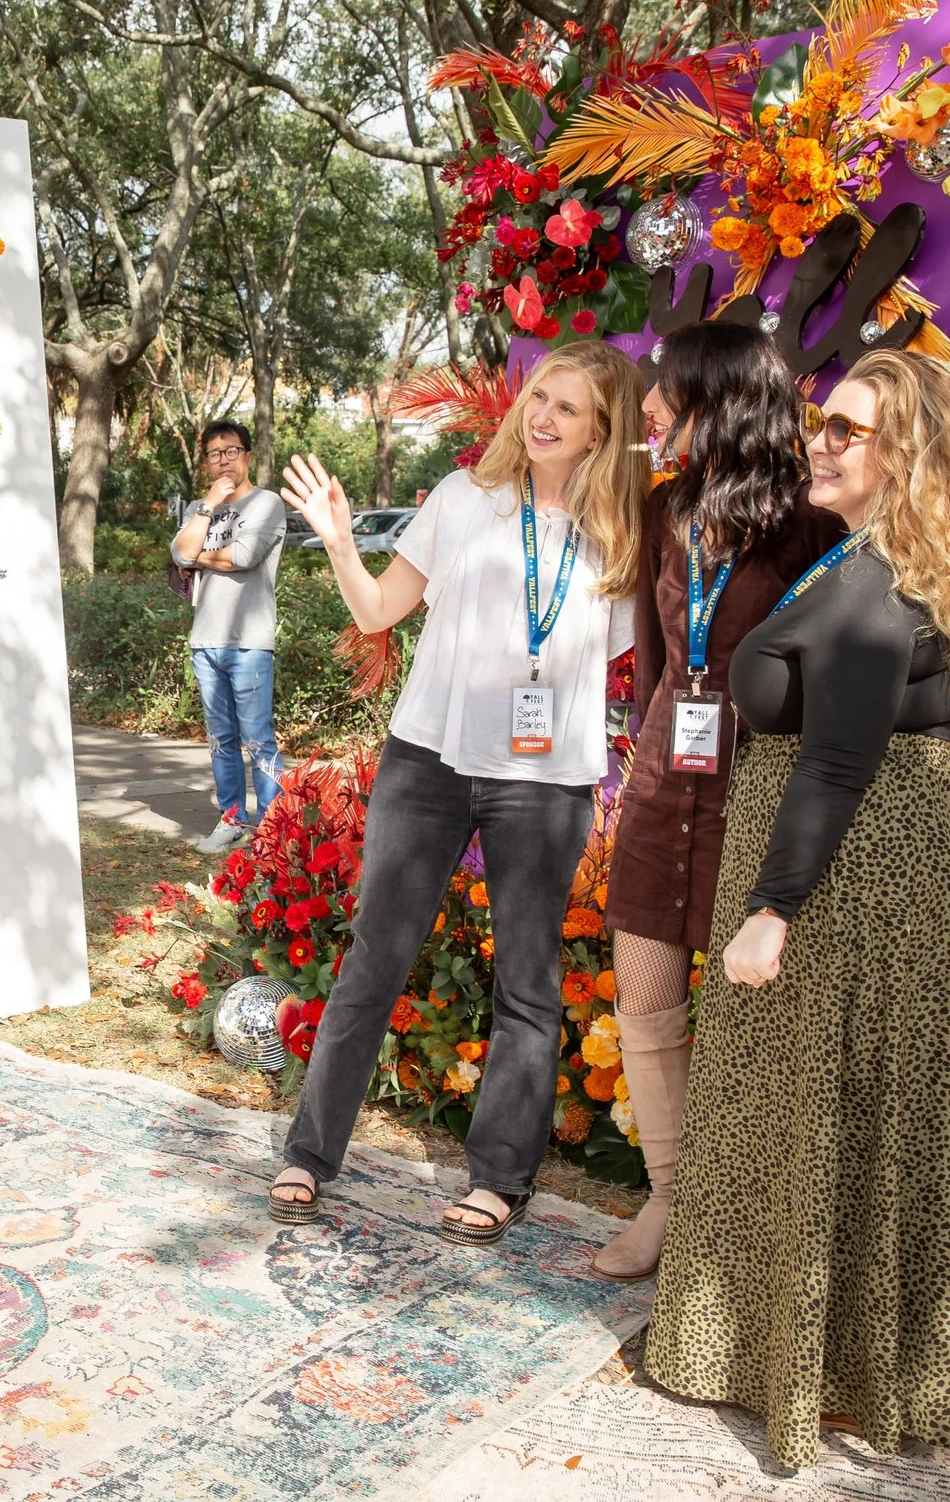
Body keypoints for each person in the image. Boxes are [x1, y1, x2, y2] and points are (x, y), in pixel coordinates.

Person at [643, 349, 950, 1468]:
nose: (821, 439)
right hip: (888, 862)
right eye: (824, 420)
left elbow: (835, 761)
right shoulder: (888, 560)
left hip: (850, 875)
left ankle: (826, 1369)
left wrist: (771, 911)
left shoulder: (871, 585)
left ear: (901, 454)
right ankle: (853, 1361)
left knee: (825, 1107)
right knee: (862, 1111)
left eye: (846, 430)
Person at [269, 338, 648, 1242]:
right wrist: (334, 538)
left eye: (567, 408)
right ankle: (311, 1152)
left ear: (603, 430)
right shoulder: (464, 498)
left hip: (545, 780)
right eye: (538, 398)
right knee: (375, 956)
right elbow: (377, 612)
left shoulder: (623, 537)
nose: (542, 417)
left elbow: (623, 652)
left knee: (527, 979)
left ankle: (500, 1178)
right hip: (427, 758)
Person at [591, 323, 844, 1281]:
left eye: (669, 392)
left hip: (760, 797)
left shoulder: (815, 527)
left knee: (750, 1021)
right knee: (646, 998)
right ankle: (669, 1198)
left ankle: (736, 1225)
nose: (650, 410)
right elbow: (660, 660)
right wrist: (642, 758)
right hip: (663, 789)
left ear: (722, 399)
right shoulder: (666, 510)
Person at [169, 418, 285, 853]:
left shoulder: (266, 504)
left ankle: (273, 828)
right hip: (205, 641)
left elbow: (244, 556)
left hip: (249, 641)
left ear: (247, 455)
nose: (224, 461)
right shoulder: (201, 506)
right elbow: (180, 552)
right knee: (221, 739)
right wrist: (206, 510)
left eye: (231, 451)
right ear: (206, 461)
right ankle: (233, 818)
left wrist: (197, 554)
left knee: (258, 738)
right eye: (215, 454)